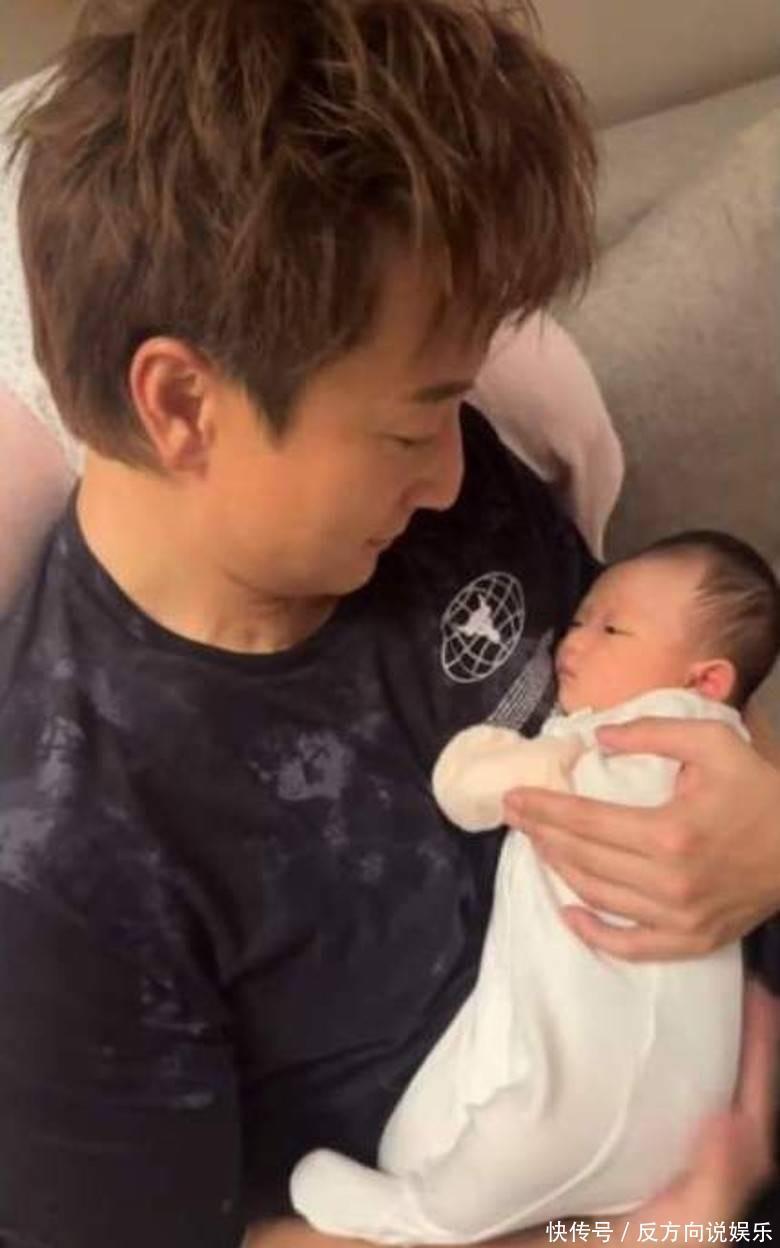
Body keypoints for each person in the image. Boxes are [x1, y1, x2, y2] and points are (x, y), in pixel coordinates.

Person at [0, 4, 778, 1248]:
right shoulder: (63, 860)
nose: (455, 476)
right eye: (412, 427)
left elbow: (658, 698)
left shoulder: (440, 499)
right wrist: (669, 1232)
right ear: (183, 404)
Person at [291, 531, 780, 1243]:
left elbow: (488, 787)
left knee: (518, 1141)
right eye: (579, 620)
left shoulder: (635, 736)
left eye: (609, 629)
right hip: (693, 1137)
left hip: (629, 1110)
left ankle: (420, 1217)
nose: (573, 639)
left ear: (704, 683)